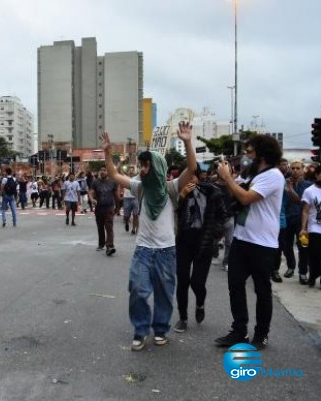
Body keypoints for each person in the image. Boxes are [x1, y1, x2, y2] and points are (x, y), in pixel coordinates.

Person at [101, 121, 197, 351]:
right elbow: (114, 173)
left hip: (166, 251)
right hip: (143, 250)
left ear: (157, 167)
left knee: (164, 294)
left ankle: (161, 329)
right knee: (138, 289)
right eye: (141, 165)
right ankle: (140, 330)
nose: (142, 170)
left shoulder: (172, 189)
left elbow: (192, 169)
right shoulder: (139, 187)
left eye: (146, 166)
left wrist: (187, 141)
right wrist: (107, 153)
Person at [214, 135, 284, 350]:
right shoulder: (253, 174)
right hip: (242, 239)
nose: (246, 155)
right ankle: (239, 330)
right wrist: (227, 179)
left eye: (250, 152)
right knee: (235, 285)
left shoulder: (273, 176)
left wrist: (228, 179)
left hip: (263, 244)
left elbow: (245, 198)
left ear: (262, 154)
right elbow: (235, 195)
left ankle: (261, 333)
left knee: (262, 290)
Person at [173, 165, 227, 333]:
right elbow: (171, 213)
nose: (189, 180)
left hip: (204, 242)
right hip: (183, 241)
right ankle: (182, 317)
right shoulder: (179, 193)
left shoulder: (213, 192)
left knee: (197, 282)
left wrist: (214, 235)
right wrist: (181, 196)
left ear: (199, 177)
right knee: (182, 281)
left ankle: (200, 303)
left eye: (192, 177)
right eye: (186, 177)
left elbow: (222, 216)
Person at [283, 160, 311, 283]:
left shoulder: (307, 185)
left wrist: (290, 190)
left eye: (297, 168)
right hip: (287, 218)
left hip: (301, 220)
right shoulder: (284, 182)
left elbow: (302, 201)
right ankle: (290, 266)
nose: (295, 170)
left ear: (302, 169)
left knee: (303, 246)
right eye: (293, 168)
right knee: (286, 245)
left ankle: (303, 272)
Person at [300, 164, 321, 288]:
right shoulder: (309, 191)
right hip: (315, 228)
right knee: (315, 255)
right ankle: (313, 275)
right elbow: (305, 210)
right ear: (317, 175)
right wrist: (304, 228)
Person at [88, 167, 119, 256]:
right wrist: (92, 199)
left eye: (104, 170)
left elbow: (116, 195)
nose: (102, 172)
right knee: (100, 226)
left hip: (109, 208)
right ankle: (101, 244)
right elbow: (91, 192)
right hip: (99, 208)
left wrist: (117, 207)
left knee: (109, 227)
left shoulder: (113, 182)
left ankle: (110, 246)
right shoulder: (95, 182)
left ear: (107, 172)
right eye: (101, 170)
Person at [122, 166, 139, 234]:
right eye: (130, 170)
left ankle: (134, 229)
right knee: (126, 215)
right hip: (127, 198)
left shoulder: (137, 177)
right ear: (128, 171)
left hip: (135, 198)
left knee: (135, 214)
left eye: (132, 170)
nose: (131, 171)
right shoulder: (124, 177)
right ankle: (126, 222)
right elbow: (118, 171)